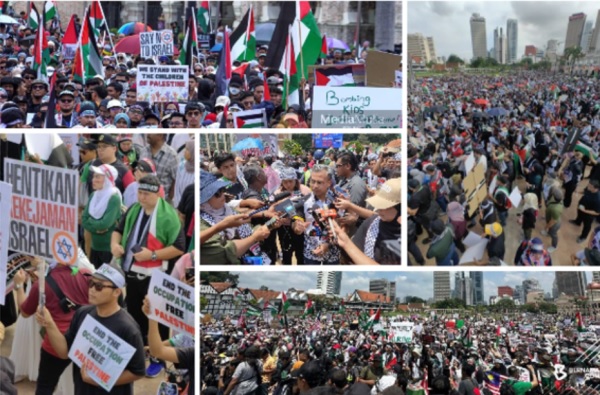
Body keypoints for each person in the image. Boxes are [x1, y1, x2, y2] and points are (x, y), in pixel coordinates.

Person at [35, 264, 146, 394]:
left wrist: (100, 381)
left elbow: (137, 372)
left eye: (99, 286)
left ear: (116, 292)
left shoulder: (128, 328)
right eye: (91, 283)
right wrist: (49, 323)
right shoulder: (82, 313)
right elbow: (64, 352)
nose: (92, 289)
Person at [13, 257, 90, 395]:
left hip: (56, 342)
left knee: (45, 386)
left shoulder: (42, 285)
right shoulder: (85, 275)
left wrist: (19, 285)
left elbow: (24, 312)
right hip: (85, 339)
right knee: (83, 384)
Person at [143, 296, 195, 395]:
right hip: (182, 377)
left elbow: (158, 351)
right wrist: (152, 317)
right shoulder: (184, 336)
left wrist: (152, 318)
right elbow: (159, 348)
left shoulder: (194, 351)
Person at [82, 164, 123, 268]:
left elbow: (104, 224)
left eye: (98, 177)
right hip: (94, 247)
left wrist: (91, 222)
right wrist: (96, 229)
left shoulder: (114, 198)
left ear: (107, 180)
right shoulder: (93, 195)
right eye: (94, 176)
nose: (93, 180)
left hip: (107, 249)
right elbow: (84, 220)